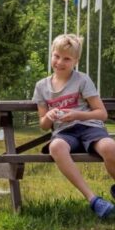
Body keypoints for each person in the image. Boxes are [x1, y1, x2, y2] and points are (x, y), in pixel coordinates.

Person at [33, 34, 115, 219]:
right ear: (51, 55)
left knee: (110, 146)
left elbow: (102, 113)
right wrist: (48, 115)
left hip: (89, 127)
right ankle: (94, 200)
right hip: (64, 132)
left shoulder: (82, 80)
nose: (60, 62)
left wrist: (77, 114)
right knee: (56, 146)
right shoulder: (41, 87)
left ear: (76, 61)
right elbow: (43, 125)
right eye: (56, 56)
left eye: (67, 58)